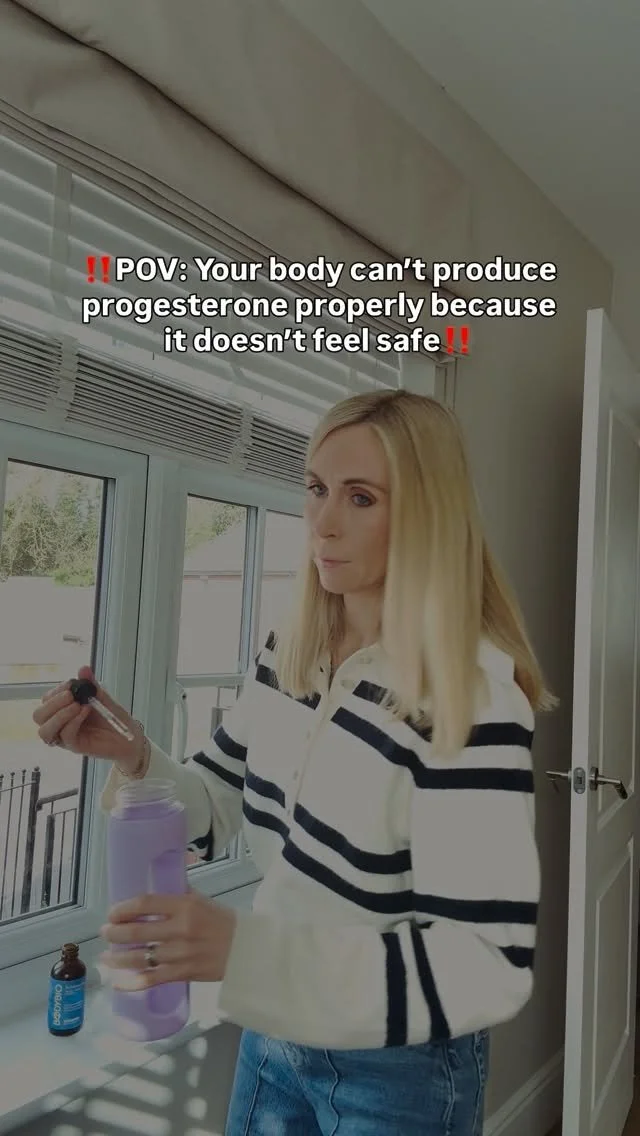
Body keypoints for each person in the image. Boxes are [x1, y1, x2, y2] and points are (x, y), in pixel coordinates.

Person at [34, 390, 553, 1135]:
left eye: (360, 497)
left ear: (426, 515)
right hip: (275, 1032)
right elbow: (215, 808)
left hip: (397, 1068)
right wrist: (136, 755)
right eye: (315, 488)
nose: (323, 521)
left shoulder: (469, 696)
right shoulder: (292, 650)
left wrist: (248, 955)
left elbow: (485, 965)